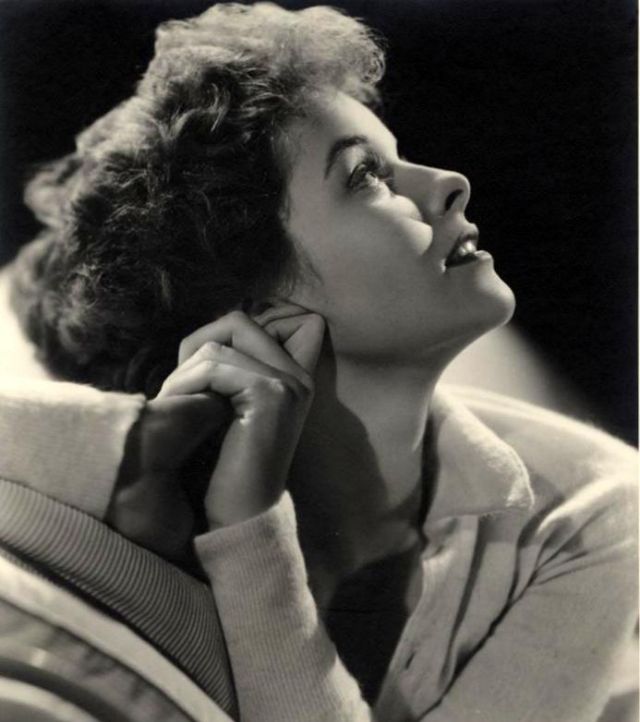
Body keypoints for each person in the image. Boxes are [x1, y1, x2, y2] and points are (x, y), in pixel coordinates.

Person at [4, 3, 637, 721]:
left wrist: (250, 532)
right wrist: (240, 522)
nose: (450, 181)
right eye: (367, 175)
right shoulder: (130, 518)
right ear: (258, 312)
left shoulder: (588, 510)